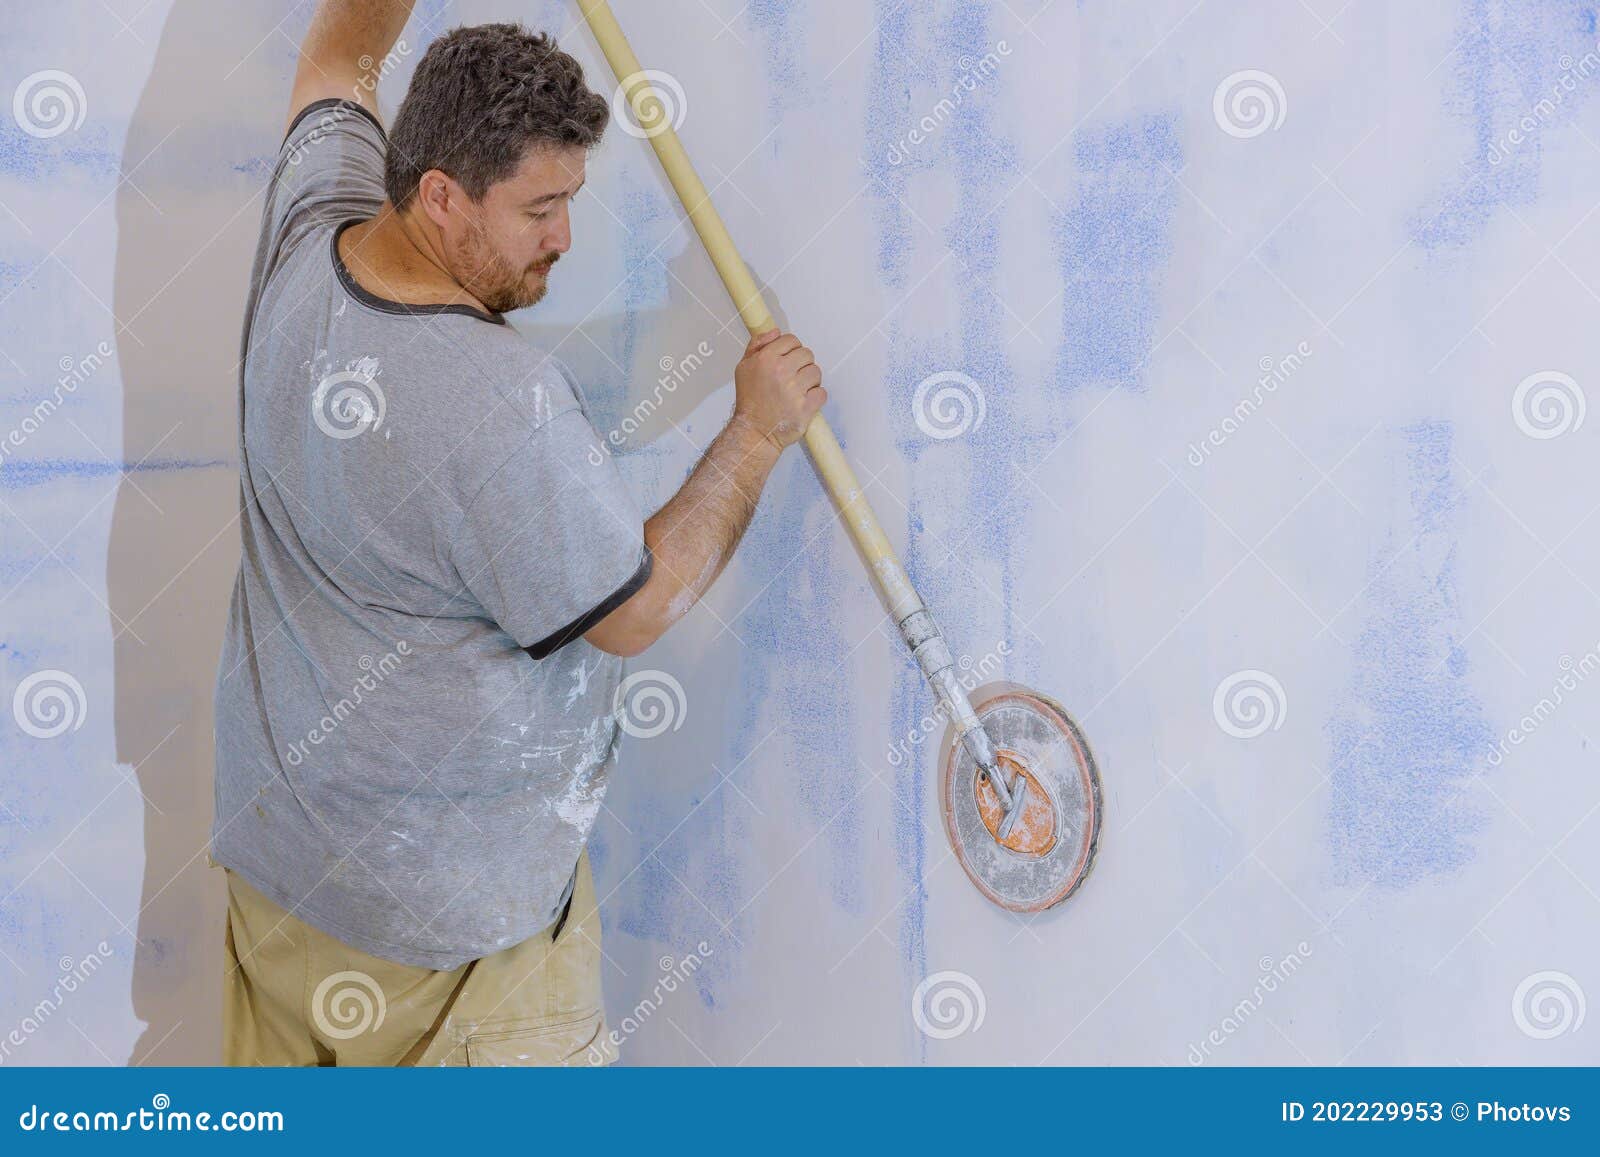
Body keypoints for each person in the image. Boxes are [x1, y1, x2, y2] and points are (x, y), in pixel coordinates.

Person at [210, 0, 824, 1066]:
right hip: (454, 952)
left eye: (570, 199)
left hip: (284, 890)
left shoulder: (313, 230)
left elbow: (339, 54)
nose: (564, 237)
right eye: (539, 208)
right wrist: (757, 435)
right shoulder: (499, 401)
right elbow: (633, 610)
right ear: (441, 195)